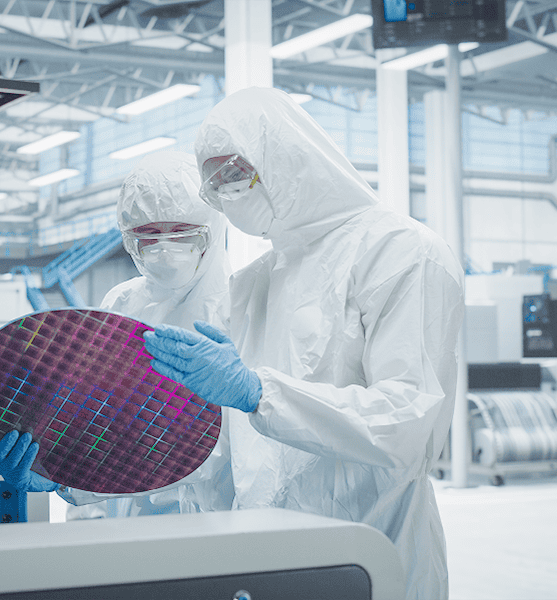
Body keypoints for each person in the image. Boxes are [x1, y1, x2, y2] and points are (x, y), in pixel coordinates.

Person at [143, 87, 464, 600]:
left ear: (286, 153)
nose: (226, 194)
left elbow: (407, 424)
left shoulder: (400, 252)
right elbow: (221, 454)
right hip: (265, 561)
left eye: (233, 173)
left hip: (370, 556)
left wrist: (258, 393)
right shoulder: (253, 284)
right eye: (214, 184)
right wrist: (76, 473)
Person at [0, 150, 235, 518]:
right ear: (129, 240)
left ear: (214, 229)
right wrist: (56, 473)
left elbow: (224, 447)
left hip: (219, 524)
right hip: (127, 521)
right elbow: (98, 421)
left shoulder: (240, 308)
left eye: (181, 233)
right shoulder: (123, 303)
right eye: (148, 235)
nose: (164, 248)